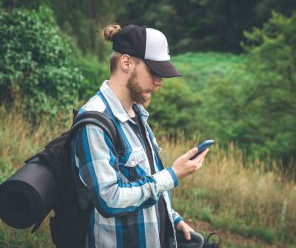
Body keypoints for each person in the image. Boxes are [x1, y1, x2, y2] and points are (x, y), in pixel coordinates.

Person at [72, 24, 209, 248]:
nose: (160, 82)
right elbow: (109, 199)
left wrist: (173, 219)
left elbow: (142, 180)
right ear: (126, 63)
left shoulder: (136, 114)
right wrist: (172, 175)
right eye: (154, 71)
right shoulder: (95, 122)